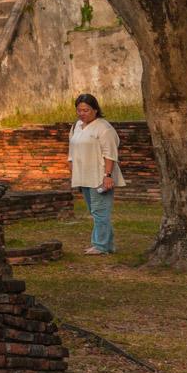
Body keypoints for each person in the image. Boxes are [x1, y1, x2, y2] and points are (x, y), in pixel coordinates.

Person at [69, 93, 122, 255]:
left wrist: (107, 175)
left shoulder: (103, 128)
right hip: (83, 175)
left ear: (95, 110)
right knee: (96, 212)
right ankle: (108, 244)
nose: (82, 113)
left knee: (100, 212)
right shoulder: (76, 126)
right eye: (79, 110)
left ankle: (100, 245)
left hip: (99, 176)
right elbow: (71, 151)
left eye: (86, 110)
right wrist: (73, 172)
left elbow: (110, 154)